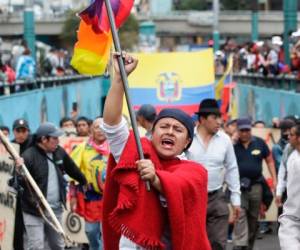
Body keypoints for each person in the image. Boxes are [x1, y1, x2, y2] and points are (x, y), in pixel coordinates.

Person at [101, 52, 211, 250]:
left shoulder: (196, 172)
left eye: (178, 130)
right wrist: (118, 79)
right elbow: (111, 125)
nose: (169, 131)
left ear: (187, 142)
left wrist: (156, 178)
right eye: (164, 126)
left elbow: (181, 185)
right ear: (153, 132)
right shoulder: (137, 152)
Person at [18, 122, 87, 250]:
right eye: (54, 138)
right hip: (34, 210)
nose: (57, 141)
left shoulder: (59, 151)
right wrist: (19, 169)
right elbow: (18, 181)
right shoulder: (28, 156)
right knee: (36, 246)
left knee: (58, 245)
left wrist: (83, 181)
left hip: (55, 210)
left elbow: (72, 168)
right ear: (44, 139)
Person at [186, 98, 241, 250]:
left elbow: (232, 168)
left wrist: (236, 199)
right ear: (202, 119)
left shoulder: (225, 140)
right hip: (192, 198)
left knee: (218, 244)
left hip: (217, 197)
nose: (219, 121)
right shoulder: (187, 138)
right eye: (214, 117)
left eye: (220, 117)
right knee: (192, 243)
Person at [232, 118, 277, 250]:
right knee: (240, 215)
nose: (245, 133)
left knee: (253, 219)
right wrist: (232, 141)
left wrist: (274, 179)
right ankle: (239, 245)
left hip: (256, 185)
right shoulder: (232, 145)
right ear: (237, 130)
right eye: (242, 130)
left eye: (247, 130)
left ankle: (248, 246)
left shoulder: (259, 142)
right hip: (239, 187)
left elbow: (269, 161)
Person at [70, 118, 109, 250]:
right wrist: (73, 196)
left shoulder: (115, 147)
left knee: (107, 234)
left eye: (104, 127)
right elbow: (72, 175)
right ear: (91, 130)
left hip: (110, 199)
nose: (101, 130)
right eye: (97, 127)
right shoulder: (82, 148)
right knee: (92, 232)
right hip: (90, 200)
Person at [11, 118, 34, 250]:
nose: (21, 134)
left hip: (31, 194)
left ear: (28, 131)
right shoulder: (9, 147)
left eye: (23, 131)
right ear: (14, 131)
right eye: (18, 131)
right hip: (16, 195)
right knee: (17, 227)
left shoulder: (34, 145)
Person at [278, 124, 300, 250]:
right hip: (293, 218)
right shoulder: (292, 158)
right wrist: (279, 192)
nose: (288, 136)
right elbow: (282, 172)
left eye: (291, 134)